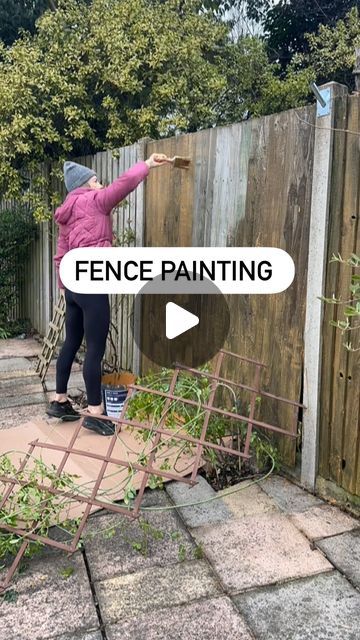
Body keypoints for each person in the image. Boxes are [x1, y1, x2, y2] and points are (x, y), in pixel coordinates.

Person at [46, 152, 171, 435]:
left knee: (71, 342)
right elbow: (124, 184)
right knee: (95, 350)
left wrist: (65, 287)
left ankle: (60, 399)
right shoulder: (96, 201)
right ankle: (96, 414)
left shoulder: (66, 213)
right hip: (91, 284)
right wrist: (148, 164)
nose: (101, 184)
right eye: (97, 180)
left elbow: (61, 255)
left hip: (73, 286)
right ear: (87, 185)